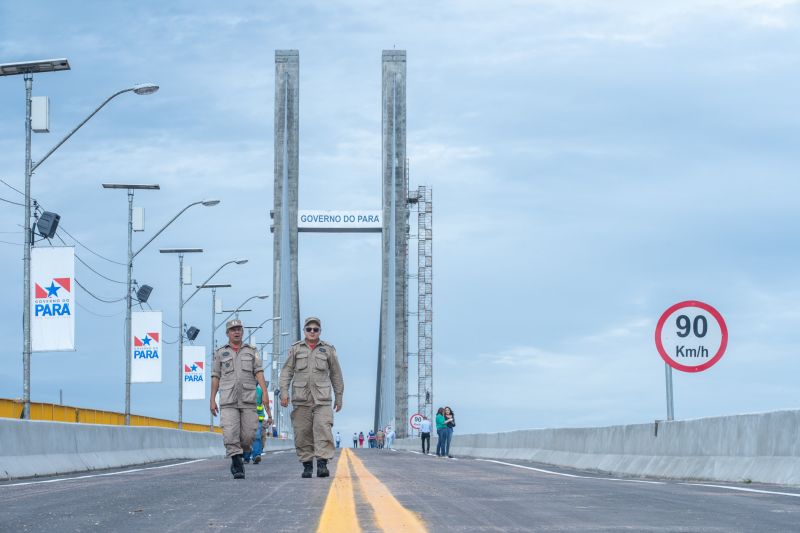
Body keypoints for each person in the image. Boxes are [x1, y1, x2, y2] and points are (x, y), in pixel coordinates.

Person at [280, 316, 344, 478]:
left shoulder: (328, 350)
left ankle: (322, 464)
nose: (312, 332)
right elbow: (286, 372)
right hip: (301, 398)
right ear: (304, 331)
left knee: (323, 429)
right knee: (302, 432)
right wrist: (284, 392)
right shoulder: (296, 349)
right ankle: (307, 465)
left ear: (320, 331)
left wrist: (339, 396)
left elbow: (336, 374)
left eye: (316, 329)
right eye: (309, 329)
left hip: (322, 399)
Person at [210, 319, 272, 479]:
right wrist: (212, 399)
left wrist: (265, 393)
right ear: (227, 333)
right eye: (233, 330)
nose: (236, 332)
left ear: (242, 332)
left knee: (248, 437)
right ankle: (236, 463)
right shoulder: (220, 353)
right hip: (228, 400)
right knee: (230, 433)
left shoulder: (251, 351)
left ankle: (241, 453)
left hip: (248, 400)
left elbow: (259, 372)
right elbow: (216, 376)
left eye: (239, 329)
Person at [243, 384, 267, 464]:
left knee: (257, 436)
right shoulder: (243, 389)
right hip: (246, 417)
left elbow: (265, 403)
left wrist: (269, 416)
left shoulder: (260, 391)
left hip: (258, 418)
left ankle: (256, 455)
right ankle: (246, 457)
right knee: (246, 437)